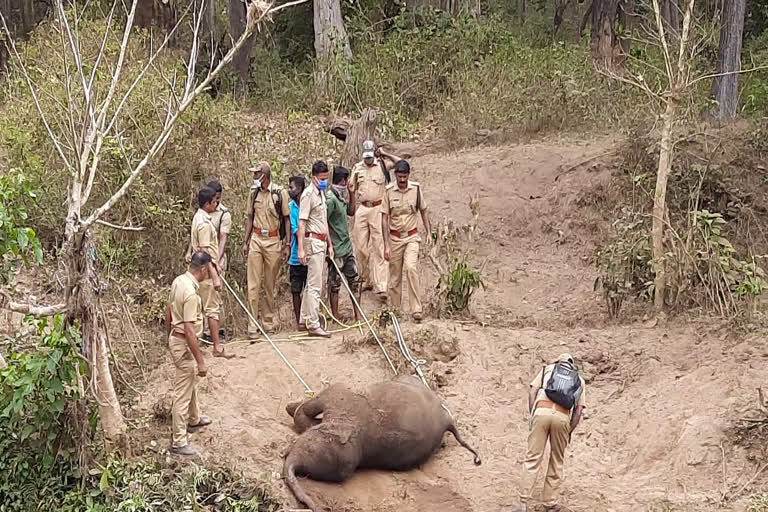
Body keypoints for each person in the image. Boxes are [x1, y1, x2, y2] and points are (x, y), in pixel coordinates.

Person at [517, 353, 586, 512]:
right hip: (562, 417)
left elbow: (533, 391)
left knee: (533, 457)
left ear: (558, 362)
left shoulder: (547, 369)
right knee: (556, 460)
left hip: (541, 411)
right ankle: (549, 503)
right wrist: (569, 430)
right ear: (571, 365)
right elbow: (579, 410)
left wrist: (533, 414)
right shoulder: (579, 380)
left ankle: (522, 502)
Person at [165, 251, 214, 456]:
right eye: (208, 270)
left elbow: (168, 309)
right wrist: (201, 361)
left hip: (176, 339)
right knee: (182, 392)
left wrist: (168, 333)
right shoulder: (192, 294)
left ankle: (194, 419)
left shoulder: (179, 281)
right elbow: (189, 330)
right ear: (202, 269)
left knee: (188, 379)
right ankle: (179, 440)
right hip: (183, 342)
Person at [241, 161, 291, 340]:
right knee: (253, 284)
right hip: (256, 239)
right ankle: (252, 325)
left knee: (270, 284)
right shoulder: (253, 193)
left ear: (265, 175)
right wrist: (246, 242)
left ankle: (268, 321)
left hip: (273, 240)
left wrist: (287, 245)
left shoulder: (279, 193)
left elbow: (287, 219)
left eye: (257, 173)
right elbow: (249, 217)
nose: (254, 177)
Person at [349, 140, 402, 301]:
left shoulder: (382, 165)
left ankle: (382, 286)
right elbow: (352, 187)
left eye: (370, 157)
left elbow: (400, 163)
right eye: (366, 157)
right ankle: (366, 278)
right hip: (363, 208)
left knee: (380, 246)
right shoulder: (357, 168)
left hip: (379, 208)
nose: (368, 160)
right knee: (360, 247)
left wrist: (384, 153)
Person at [381, 159, 431, 322]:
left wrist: (429, 233)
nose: (402, 180)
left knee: (411, 268)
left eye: (405, 177)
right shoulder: (388, 191)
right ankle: (395, 310)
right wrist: (386, 245)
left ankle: (416, 308)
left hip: (411, 237)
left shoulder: (416, 190)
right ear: (395, 175)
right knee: (394, 276)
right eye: (399, 176)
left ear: (408, 175)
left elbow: (423, 211)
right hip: (395, 238)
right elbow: (384, 218)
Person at [185, 180, 231, 340]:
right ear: (207, 204)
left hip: (205, 270)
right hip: (206, 272)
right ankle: (216, 342)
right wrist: (215, 274)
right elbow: (205, 252)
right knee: (212, 308)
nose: (216, 205)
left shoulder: (199, 218)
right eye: (214, 202)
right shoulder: (203, 223)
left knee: (205, 307)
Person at [298, 160, 333, 338]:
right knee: (315, 285)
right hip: (312, 242)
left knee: (313, 282)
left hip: (322, 241)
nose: (324, 181)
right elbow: (302, 223)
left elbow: (323, 221)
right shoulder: (308, 195)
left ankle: (304, 319)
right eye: (322, 178)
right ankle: (313, 323)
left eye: (326, 178)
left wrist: (330, 245)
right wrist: (301, 249)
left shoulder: (321, 193)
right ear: (314, 177)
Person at [326, 165, 361, 324]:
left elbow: (351, 211)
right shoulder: (331, 199)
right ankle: (335, 315)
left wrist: (352, 194)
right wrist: (329, 245)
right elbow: (324, 221)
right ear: (343, 181)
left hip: (347, 248)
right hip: (336, 249)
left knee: (354, 281)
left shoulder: (339, 198)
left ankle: (358, 315)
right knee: (334, 284)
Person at [288, 175, 308, 330]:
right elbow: (296, 230)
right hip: (295, 256)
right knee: (296, 290)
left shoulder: (308, 204)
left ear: (300, 189)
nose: (290, 190)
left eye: (291, 187)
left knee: (309, 289)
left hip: (310, 254)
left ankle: (307, 318)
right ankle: (299, 321)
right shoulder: (290, 207)